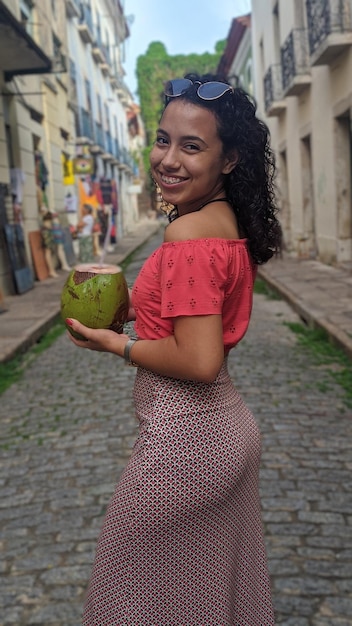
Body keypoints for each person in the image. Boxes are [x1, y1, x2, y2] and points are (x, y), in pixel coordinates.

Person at [66, 73, 282, 625]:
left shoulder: (187, 236)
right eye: (163, 140)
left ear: (229, 159)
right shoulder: (221, 220)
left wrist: (118, 343)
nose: (169, 159)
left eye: (192, 146)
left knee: (128, 597)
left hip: (186, 446)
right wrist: (124, 304)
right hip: (224, 435)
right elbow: (187, 308)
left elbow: (199, 360)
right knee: (201, 597)